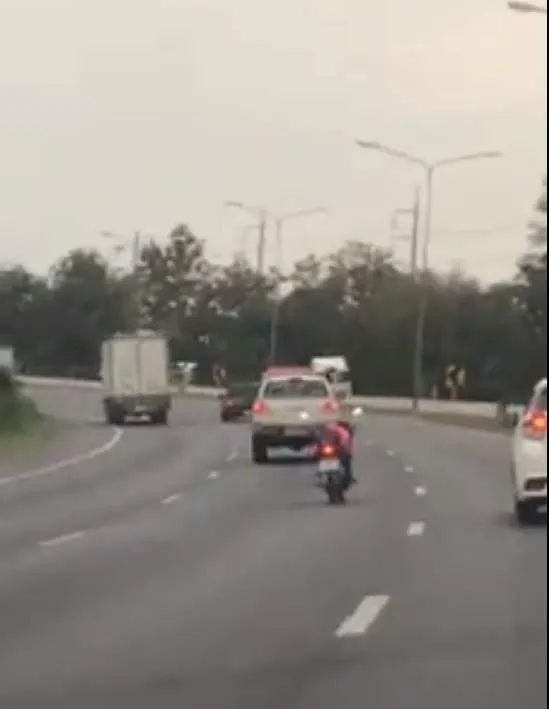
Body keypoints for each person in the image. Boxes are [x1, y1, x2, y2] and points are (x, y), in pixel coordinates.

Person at [317, 420, 356, 484]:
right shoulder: (342, 432)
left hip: (338, 448)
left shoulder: (342, 432)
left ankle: (348, 476)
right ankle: (348, 476)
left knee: (345, 462)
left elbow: (346, 444)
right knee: (345, 462)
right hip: (334, 447)